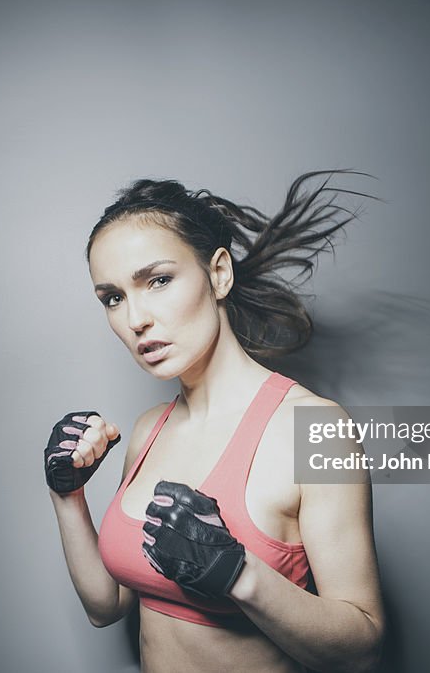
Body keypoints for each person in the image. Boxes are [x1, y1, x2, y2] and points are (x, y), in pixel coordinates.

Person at [45, 172, 385, 673]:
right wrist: (67, 493)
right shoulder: (148, 430)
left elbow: (363, 649)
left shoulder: (312, 426)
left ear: (219, 273)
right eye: (113, 297)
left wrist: (240, 575)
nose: (134, 318)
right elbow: (106, 608)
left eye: (157, 280)